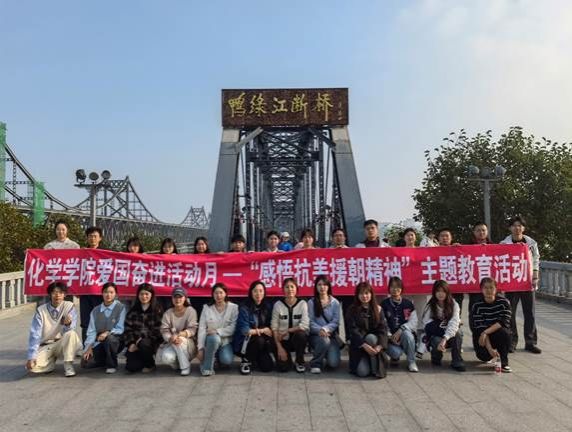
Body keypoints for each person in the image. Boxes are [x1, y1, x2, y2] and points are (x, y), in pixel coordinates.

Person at [500, 216, 541, 354]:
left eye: (519, 225)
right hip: (511, 283)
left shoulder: (531, 243)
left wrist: (535, 275)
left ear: (523, 228)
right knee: (510, 313)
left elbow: (536, 259)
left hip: (527, 282)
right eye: (514, 225)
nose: (517, 228)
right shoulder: (504, 244)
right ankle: (512, 341)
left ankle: (530, 342)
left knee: (530, 313)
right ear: (510, 228)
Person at [26, 281, 82, 377]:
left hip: (61, 344)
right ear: (50, 294)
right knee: (32, 367)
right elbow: (35, 334)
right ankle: (50, 363)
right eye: (54, 292)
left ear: (65, 295)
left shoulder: (69, 306)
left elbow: (70, 330)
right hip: (46, 345)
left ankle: (68, 365)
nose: (57, 295)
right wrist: (31, 357)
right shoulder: (41, 310)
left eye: (60, 293)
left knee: (71, 334)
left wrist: (67, 324)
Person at [346, 281, 388, 378]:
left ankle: (375, 368)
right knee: (362, 373)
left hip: (374, 344)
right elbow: (353, 330)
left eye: (366, 293)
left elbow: (383, 329)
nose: (364, 296)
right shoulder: (352, 310)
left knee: (371, 338)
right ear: (357, 295)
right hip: (359, 345)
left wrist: (380, 346)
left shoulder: (378, 309)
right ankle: (366, 361)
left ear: (371, 294)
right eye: (361, 293)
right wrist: (364, 345)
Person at [81, 282, 126, 374]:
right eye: (106, 292)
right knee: (85, 363)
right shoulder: (95, 310)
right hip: (99, 341)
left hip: (116, 340)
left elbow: (120, 329)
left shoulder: (120, 308)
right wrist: (89, 347)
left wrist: (107, 333)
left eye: (111, 292)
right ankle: (104, 360)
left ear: (116, 294)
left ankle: (112, 365)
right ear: (102, 293)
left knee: (109, 339)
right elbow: (91, 331)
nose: (108, 295)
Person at [470, 278, 513, 372]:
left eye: (491, 287)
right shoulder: (477, 305)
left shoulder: (504, 302)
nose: (488, 290)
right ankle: (491, 355)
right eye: (485, 288)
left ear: (496, 289)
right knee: (483, 356)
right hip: (483, 335)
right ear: (481, 290)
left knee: (504, 333)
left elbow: (502, 322)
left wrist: (485, 332)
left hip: (497, 332)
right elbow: (480, 327)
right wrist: (490, 349)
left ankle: (503, 362)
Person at [422, 280, 466, 372]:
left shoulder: (454, 304)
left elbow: (454, 323)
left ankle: (457, 361)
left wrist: (445, 338)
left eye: (443, 291)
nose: (440, 294)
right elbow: (427, 324)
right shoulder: (430, 306)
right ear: (434, 292)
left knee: (458, 333)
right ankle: (436, 357)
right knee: (436, 340)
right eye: (438, 291)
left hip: (449, 335)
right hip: (437, 334)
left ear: (447, 292)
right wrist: (441, 330)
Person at [233, 281, 275, 375]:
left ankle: (255, 358)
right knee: (259, 340)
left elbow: (272, 325)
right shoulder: (244, 308)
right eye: (255, 291)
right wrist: (263, 330)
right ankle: (246, 360)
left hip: (262, 343)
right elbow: (245, 331)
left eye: (261, 291)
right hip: (246, 342)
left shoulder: (267, 306)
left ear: (264, 292)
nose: (258, 294)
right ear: (251, 292)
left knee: (267, 367)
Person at [197, 283, 238, 376]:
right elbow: (202, 329)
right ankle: (206, 368)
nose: (218, 296)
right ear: (212, 294)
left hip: (225, 341)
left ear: (225, 294)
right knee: (214, 338)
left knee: (227, 360)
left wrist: (217, 331)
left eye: (221, 293)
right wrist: (200, 348)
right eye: (216, 293)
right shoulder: (206, 308)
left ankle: (214, 357)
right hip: (210, 341)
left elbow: (233, 328)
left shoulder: (233, 307)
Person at [157, 288, 198, 376]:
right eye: (175, 297)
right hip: (172, 341)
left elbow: (193, 329)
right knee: (166, 358)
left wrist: (179, 335)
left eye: (180, 297)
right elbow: (164, 330)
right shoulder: (168, 313)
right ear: (172, 299)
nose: (177, 299)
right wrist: (170, 338)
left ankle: (185, 367)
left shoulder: (191, 311)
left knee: (179, 341)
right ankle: (178, 365)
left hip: (188, 343)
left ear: (185, 298)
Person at [381, 277, 419, 372]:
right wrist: (390, 336)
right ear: (389, 288)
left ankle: (411, 362)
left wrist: (401, 329)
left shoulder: (408, 304)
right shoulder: (384, 304)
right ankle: (394, 357)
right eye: (392, 287)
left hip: (404, 335)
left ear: (401, 288)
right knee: (395, 353)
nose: (395, 289)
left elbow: (414, 321)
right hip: (390, 338)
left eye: (398, 287)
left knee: (408, 335)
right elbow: (382, 323)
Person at [271, 278, 309, 373]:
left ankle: (299, 361)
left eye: (292, 287)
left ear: (296, 289)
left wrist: (288, 330)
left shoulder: (302, 304)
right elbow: (274, 327)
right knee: (283, 368)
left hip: (296, 340)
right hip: (282, 340)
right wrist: (279, 347)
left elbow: (305, 325)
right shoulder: (278, 305)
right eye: (287, 287)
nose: (290, 289)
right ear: (283, 289)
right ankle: (286, 359)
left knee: (301, 335)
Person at [123, 283, 163, 373]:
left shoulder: (157, 310)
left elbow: (158, 330)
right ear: (138, 295)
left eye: (146, 294)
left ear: (151, 295)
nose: (144, 297)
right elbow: (127, 329)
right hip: (135, 343)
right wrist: (131, 343)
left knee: (144, 344)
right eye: (141, 294)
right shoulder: (133, 310)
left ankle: (150, 364)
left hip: (151, 342)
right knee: (131, 367)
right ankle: (142, 360)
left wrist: (142, 339)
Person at [307, 276, 342, 374]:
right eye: (319, 285)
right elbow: (310, 321)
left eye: (325, 284)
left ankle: (324, 353)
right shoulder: (311, 302)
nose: (322, 287)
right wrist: (320, 330)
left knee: (333, 363)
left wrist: (325, 329)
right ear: (316, 287)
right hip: (316, 336)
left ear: (329, 286)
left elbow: (336, 321)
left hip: (331, 336)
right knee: (324, 340)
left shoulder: (335, 303)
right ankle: (316, 364)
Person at [80, 226, 104, 342]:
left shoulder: (106, 253)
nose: (92, 239)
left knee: (100, 321)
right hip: (85, 293)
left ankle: (99, 348)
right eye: (90, 236)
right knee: (85, 322)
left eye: (95, 236)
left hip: (100, 293)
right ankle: (87, 348)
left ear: (100, 238)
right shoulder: (81, 253)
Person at [436, 228, 465, 315]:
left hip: (456, 288)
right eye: (442, 236)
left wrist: (460, 249)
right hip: (440, 288)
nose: (444, 238)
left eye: (447, 236)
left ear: (451, 238)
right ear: (438, 238)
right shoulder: (433, 251)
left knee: (456, 313)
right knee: (440, 313)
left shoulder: (457, 249)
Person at [467, 222, 491, 313]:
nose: (481, 232)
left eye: (483, 230)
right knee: (474, 311)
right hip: (474, 286)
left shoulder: (494, 247)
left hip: (490, 286)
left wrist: (517, 247)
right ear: (474, 232)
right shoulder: (467, 247)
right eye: (478, 230)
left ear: (487, 231)